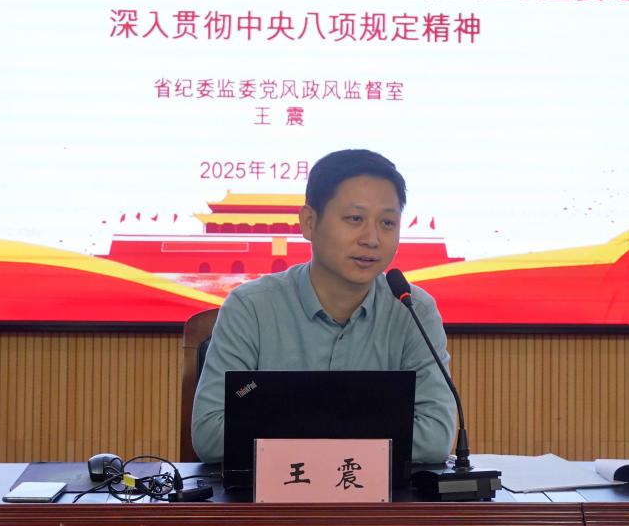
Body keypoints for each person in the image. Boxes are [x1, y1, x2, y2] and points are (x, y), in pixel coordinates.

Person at [190, 149, 456, 463]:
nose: (372, 239)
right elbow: (211, 434)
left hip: (378, 493)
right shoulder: (251, 309)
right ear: (309, 222)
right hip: (272, 493)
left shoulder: (412, 310)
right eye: (355, 219)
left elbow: (436, 437)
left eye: (387, 222)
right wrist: (368, 433)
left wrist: (288, 430)